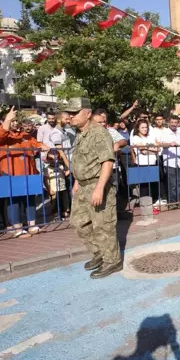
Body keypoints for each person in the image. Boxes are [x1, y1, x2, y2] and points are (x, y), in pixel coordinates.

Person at [66, 98, 122, 279]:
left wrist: (99, 188)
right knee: (78, 222)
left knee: (103, 225)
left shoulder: (99, 133)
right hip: (82, 186)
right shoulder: (80, 133)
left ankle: (112, 260)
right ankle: (99, 252)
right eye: (70, 113)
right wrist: (76, 181)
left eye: (75, 113)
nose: (71, 117)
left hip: (97, 184)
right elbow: (81, 161)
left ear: (88, 114)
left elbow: (107, 162)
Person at [0, 107, 49, 237]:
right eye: (12, 121)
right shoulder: (0, 135)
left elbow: (36, 143)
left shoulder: (25, 135)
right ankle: (17, 228)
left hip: (28, 171)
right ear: (3, 121)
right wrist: (7, 120)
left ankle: (32, 225)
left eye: (16, 120)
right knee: (14, 201)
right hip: (10, 172)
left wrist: (43, 147)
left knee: (30, 199)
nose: (15, 123)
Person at [131, 119, 160, 205]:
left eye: (146, 127)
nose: (145, 129)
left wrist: (147, 147)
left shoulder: (149, 137)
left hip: (152, 163)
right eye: (142, 127)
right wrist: (152, 149)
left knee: (152, 185)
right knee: (144, 186)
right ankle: (145, 204)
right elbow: (142, 150)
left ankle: (152, 203)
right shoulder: (136, 137)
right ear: (138, 128)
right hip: (143, 164)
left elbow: (158, 149)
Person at [158, 115, 180, 207]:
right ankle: (172, 203)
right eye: (172, 122)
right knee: (171, 184)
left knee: (179, 184)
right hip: (169, 162)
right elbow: (161, 144)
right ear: (169, 122)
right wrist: (170, 144)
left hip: (179, 161)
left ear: (178, 123)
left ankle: (178, 201)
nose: (174, 124)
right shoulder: (165, 132)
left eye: (175, 122)